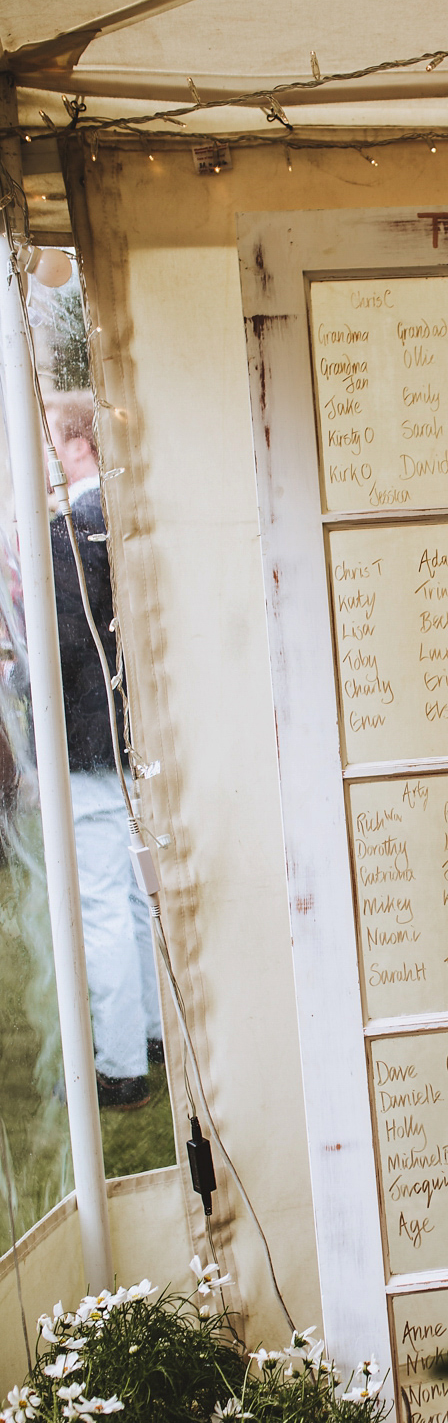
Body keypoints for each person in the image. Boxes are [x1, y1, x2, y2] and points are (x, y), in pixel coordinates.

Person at [44, 390, 163, 1109]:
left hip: (90, 741)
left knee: (104, 904)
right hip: (135, 734)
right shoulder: (129, 520)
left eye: (53, 443)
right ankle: (150, 1031)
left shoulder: (68, 532)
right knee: (133, 892)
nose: (50, 459)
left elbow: (60, 648)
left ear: (76, 444)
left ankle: (121, 1066)